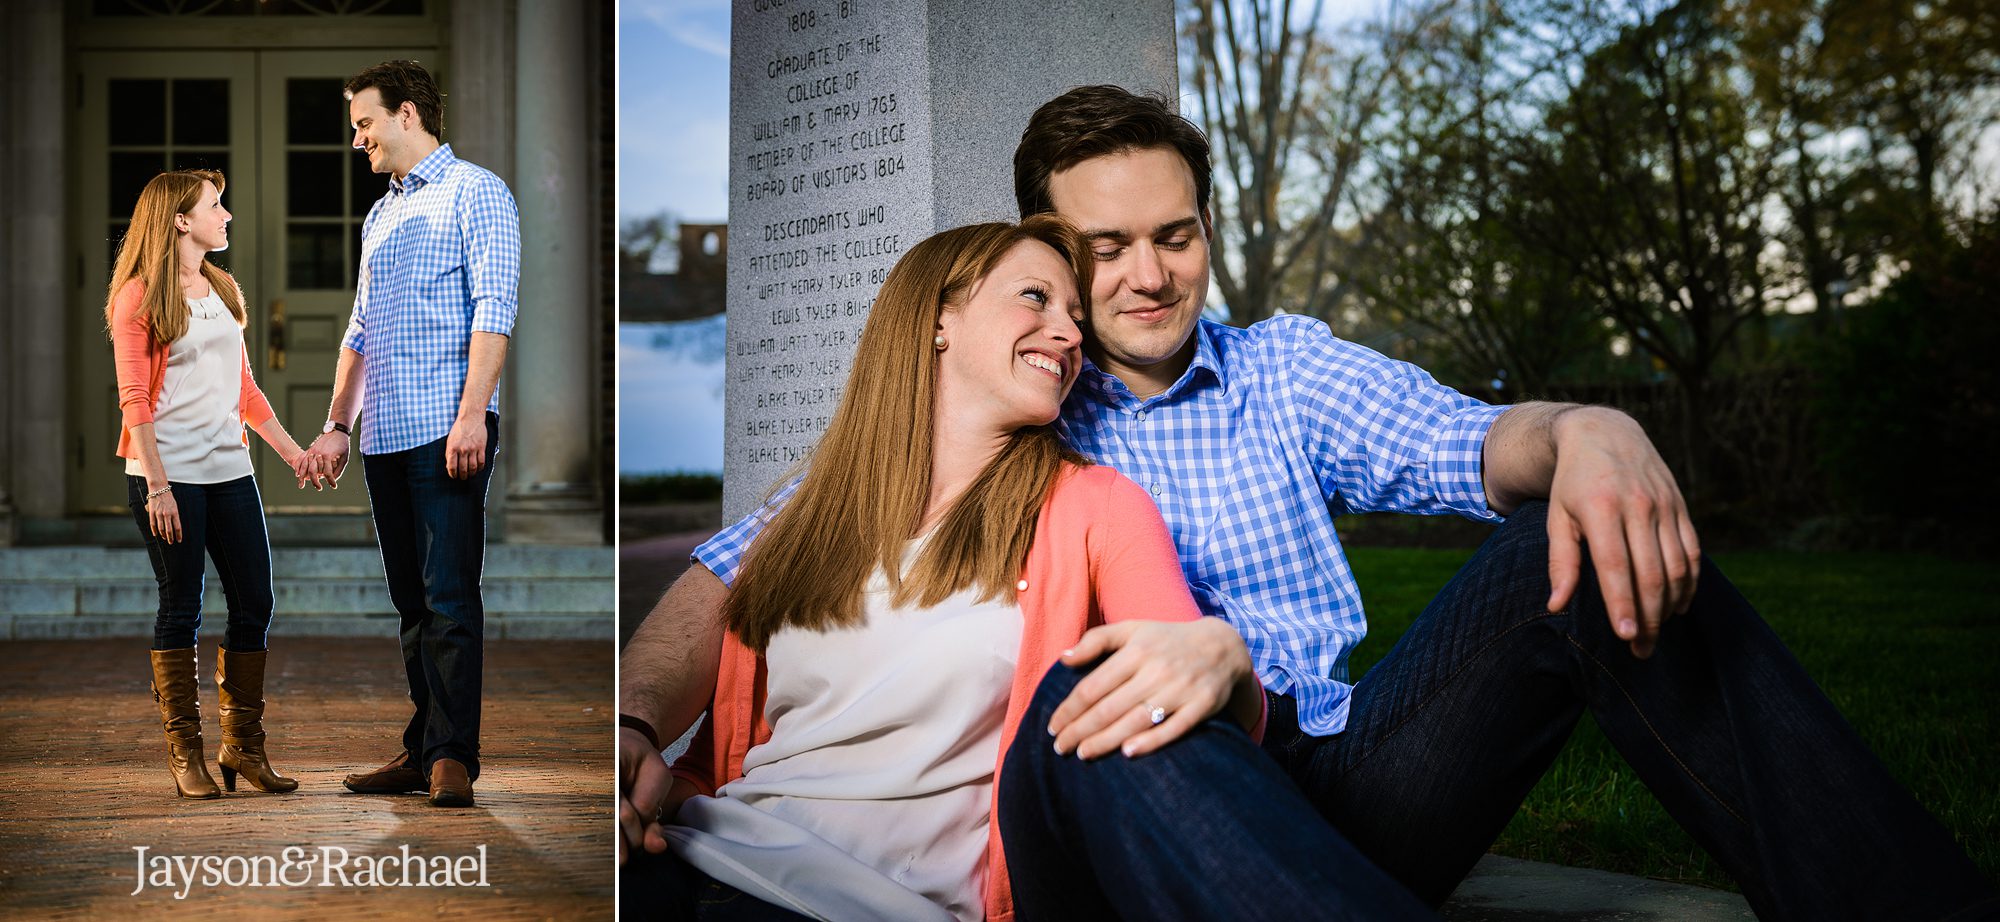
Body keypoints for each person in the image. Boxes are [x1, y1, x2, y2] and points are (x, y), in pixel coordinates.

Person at [694, 86, 2000, 920]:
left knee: (1572, 534)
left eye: (1179, 234)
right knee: (1108, 698)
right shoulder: (1019, 409)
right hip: (1139, 790)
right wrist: (644, 715)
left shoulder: (1285, 370)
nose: (1150, 275)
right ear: (1047, 254)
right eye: (1105, 249)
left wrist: (1587, 428)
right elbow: (753, 554)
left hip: (1354, 769)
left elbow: (1472, 442)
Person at [618, 218, 1441, 922]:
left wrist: (1225, 664)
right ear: (939, 316)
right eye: (1037, 299)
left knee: (1100, 688)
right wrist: (627, 733)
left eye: (1076, 315)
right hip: (707, 870)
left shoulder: (1095, 505)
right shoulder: (809, 514)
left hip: (902, 904)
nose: (1072, 333)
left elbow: (1172, 669)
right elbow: (690, 637)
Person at [295, 59, 521, 809]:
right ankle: (424, 746)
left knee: (450, 596)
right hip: (384, 438)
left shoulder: (476, 193)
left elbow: (494, 310)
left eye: (364, 123)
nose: (357, 138)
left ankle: (454, 757)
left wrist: (470, 415)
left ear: (406, 116)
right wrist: (335, 427)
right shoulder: (381, 215)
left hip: (446, 429)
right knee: (411, 604)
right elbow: (359, 331)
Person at [108, 169, 306, 800]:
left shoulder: (219, 285)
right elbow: (134, 399)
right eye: (215, 206)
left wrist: (294, 455)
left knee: (256, 602)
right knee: (182, 607)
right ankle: (185, 751)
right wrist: (159, 487)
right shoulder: (137, 297)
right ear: (179, 221)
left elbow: (244, 390)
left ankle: (243, 748)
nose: (227, 216)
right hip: (169, 476)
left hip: (230, 470)